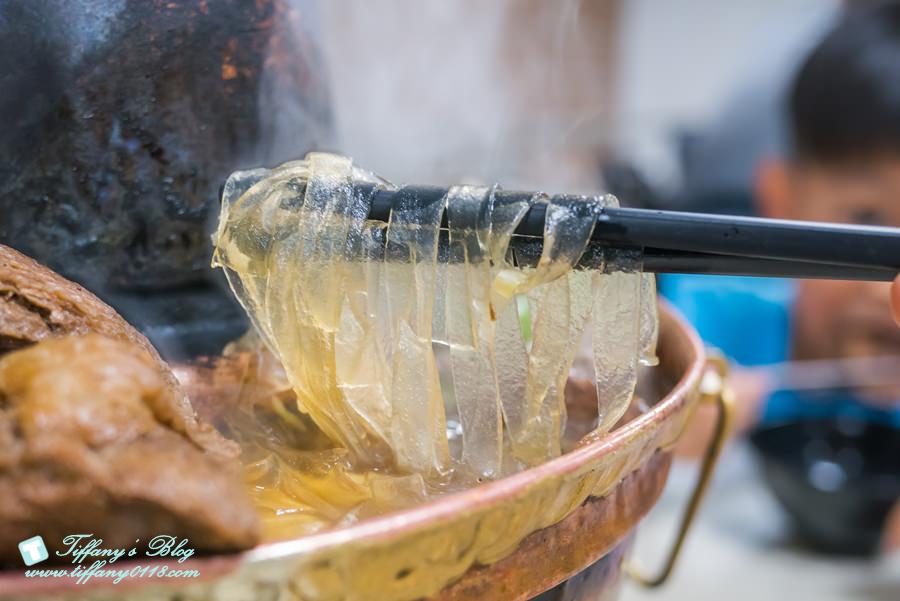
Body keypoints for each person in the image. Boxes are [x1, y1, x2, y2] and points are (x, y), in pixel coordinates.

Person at [662, 3, 900, 549]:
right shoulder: (701, 320)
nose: (889, 283)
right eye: (868, 218)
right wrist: (663, 433)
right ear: (782, 201)